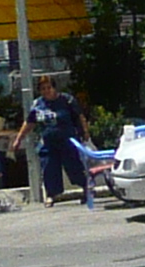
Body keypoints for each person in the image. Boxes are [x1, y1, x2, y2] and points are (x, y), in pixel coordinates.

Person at [19, 75, 94, 208]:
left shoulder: (66, 100)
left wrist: (85, 132)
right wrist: (19, 139)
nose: (46, 91)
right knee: (49, 168)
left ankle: (86, 189)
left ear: (54, 88)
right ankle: (51, 195)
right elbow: (30, 122)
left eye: (49, 88)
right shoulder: (38, 104)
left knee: (74, 168)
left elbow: (79, 116)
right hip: (48, 143)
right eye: (43, 89)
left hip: (67, 141)